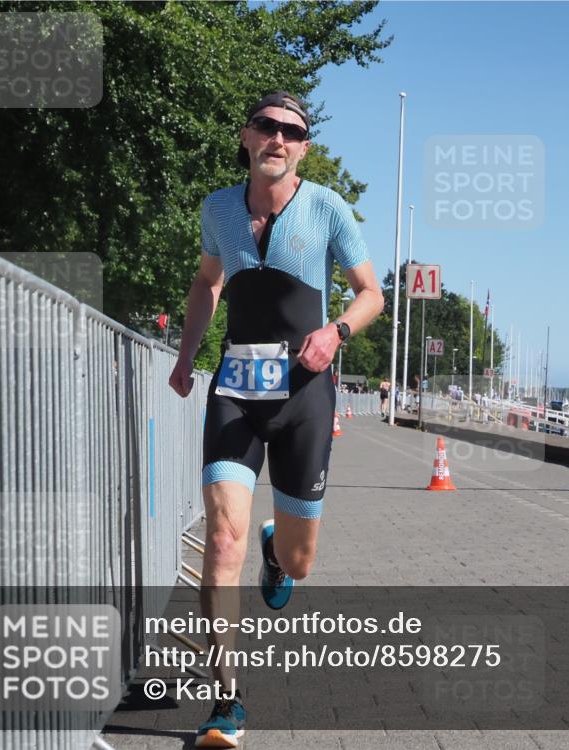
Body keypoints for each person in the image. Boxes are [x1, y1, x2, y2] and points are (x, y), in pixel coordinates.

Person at [168, 91, 382, 748]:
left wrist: (337, 332)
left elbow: (372, 293)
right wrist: (186, 354)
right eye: (266, 126)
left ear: (303, 149)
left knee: (300, 559)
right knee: (220, 544)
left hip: (305, 395)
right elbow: (207, 283)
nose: (278, 138)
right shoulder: (218, 209)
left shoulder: (326, 208)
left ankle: (277, 553)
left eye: (292, 131)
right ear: (246, 135)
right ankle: (226, 701)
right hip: (235, 389)